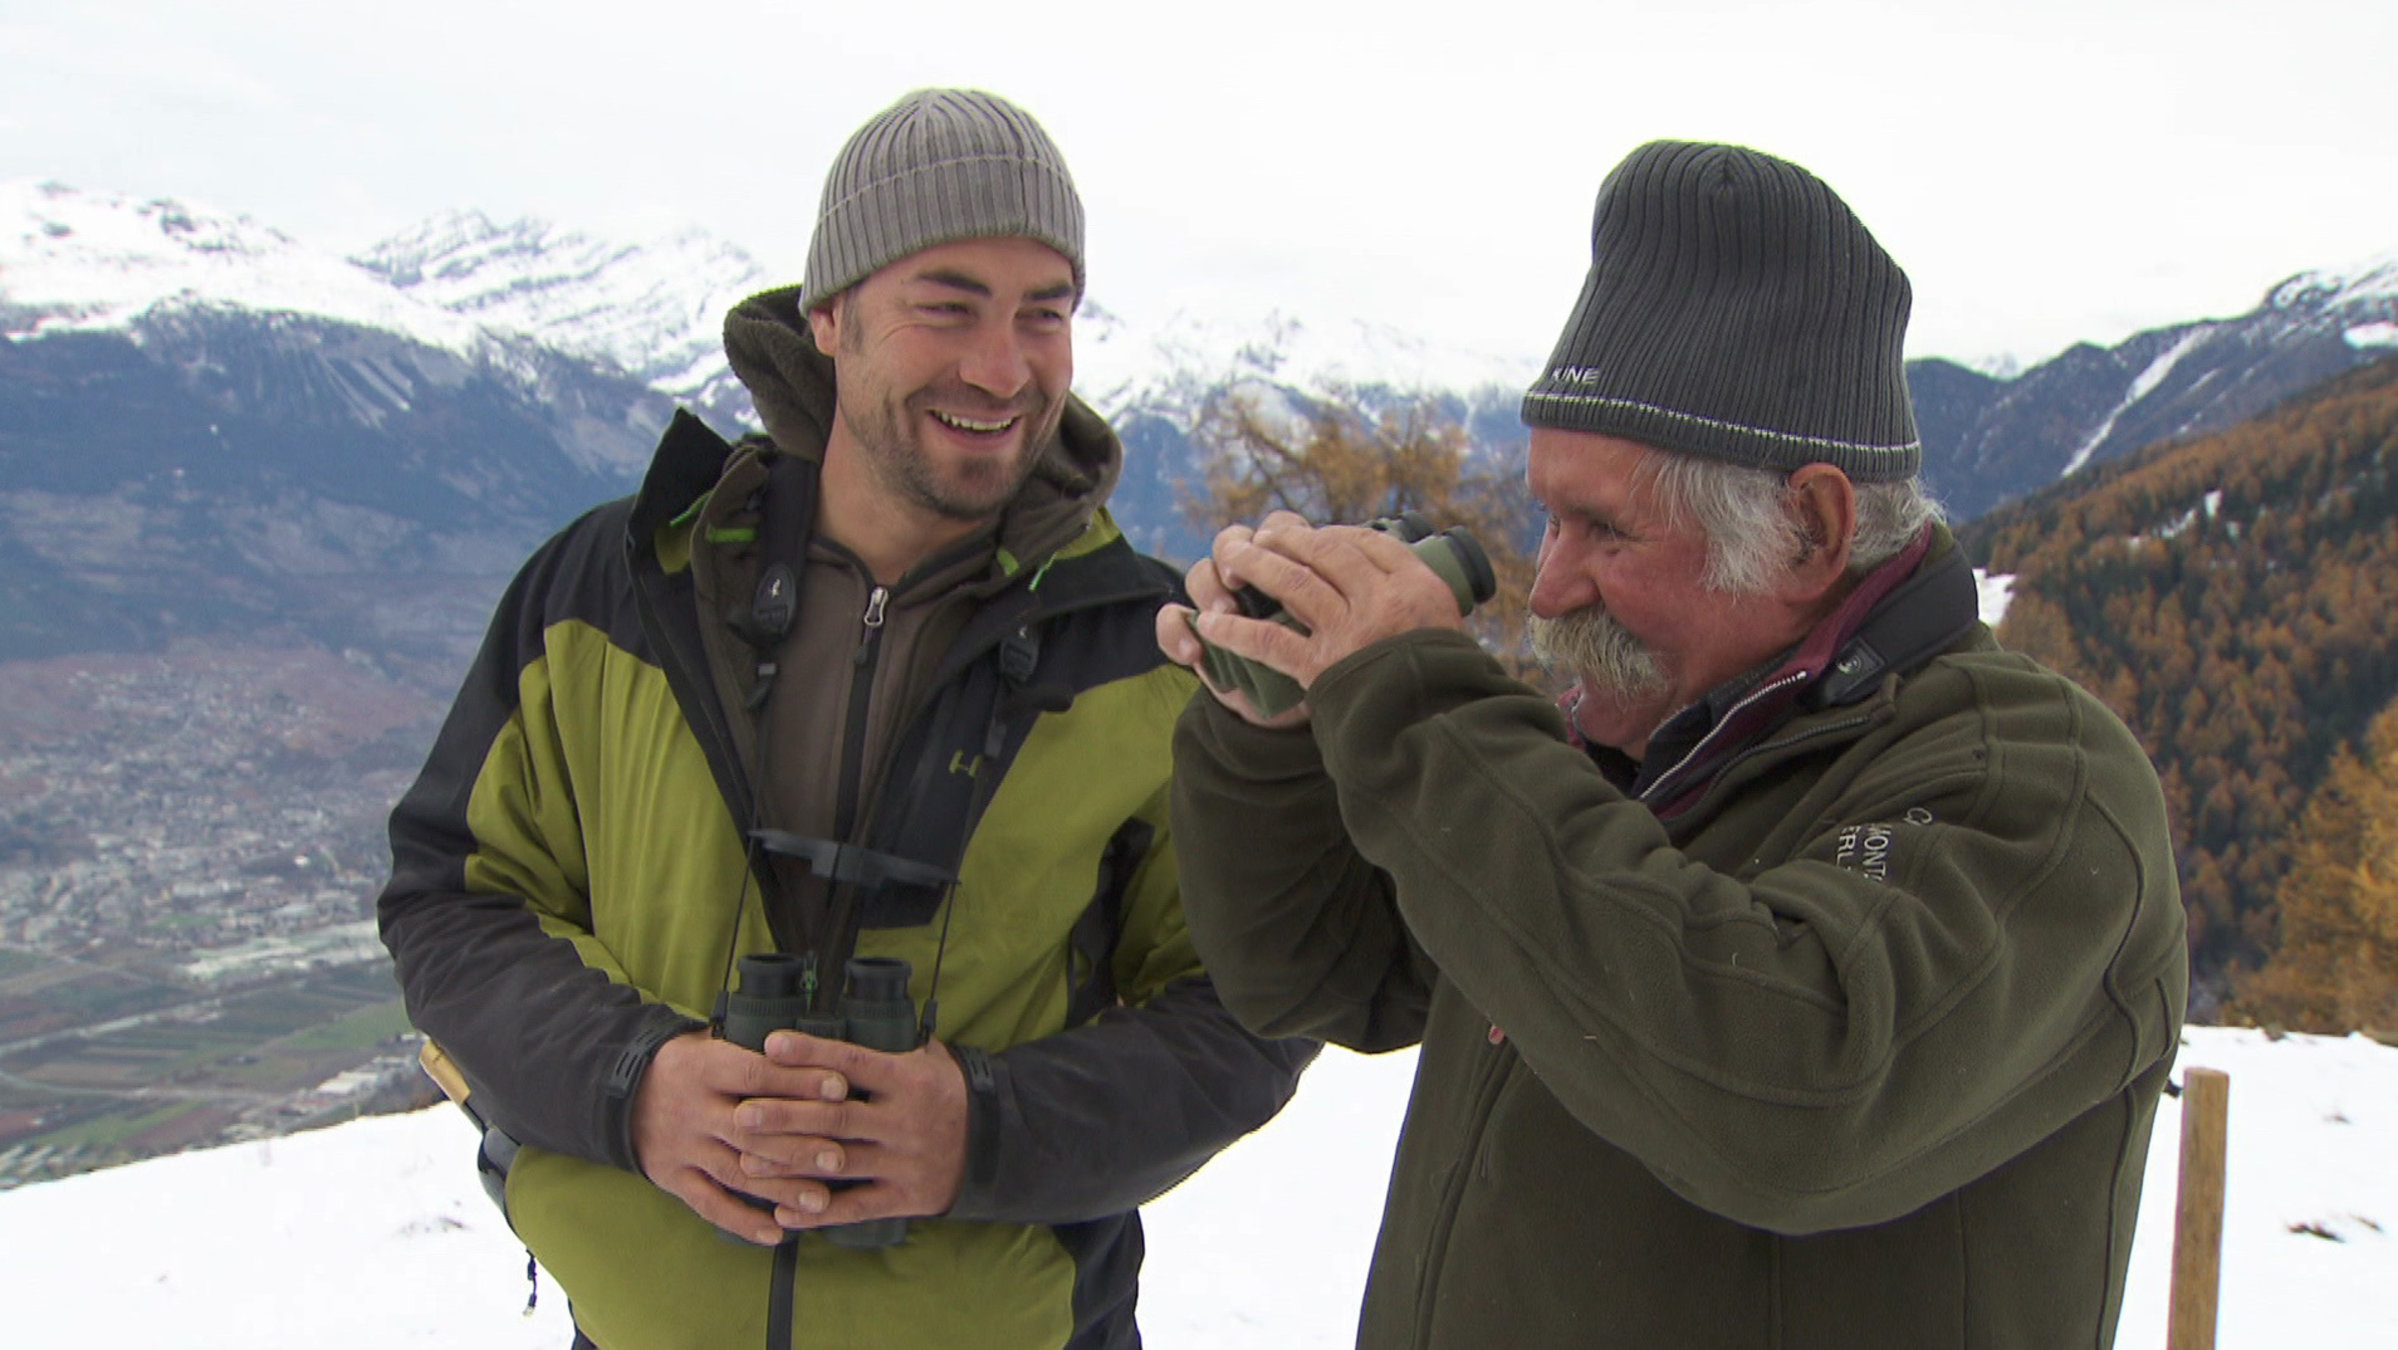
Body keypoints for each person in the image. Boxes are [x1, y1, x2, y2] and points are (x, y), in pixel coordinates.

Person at [1155, 140, 2188, 1349]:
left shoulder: (2035, 785)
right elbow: (1325, 971)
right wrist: (1275, 731)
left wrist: (1414, 705)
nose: (1548, 586)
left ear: (1810, 525)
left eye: (1604, 530)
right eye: (1548, 518)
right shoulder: (1641, 742)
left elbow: (1794, 1100)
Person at [380, 88, 1312, 1350]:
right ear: (828, 316)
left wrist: (984, 1128)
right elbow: (452, 899)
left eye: (1044, 313)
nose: (1003, 367)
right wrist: (634, 1086)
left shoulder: (1143, 652)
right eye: (948, 305)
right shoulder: (619, 591)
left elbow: (1246, 1003)